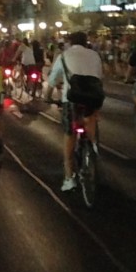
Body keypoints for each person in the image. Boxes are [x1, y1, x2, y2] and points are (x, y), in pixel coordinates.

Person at [47, 31, 104, 192]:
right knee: (90, 118)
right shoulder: (94, 55)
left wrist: (48, 96)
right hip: (93, 98)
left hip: (71, 99)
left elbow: (52, 80)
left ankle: (69, 177)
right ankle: (93, 148)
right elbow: (99, 77)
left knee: (70, 134)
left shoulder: (64, 56)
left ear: (70, 43)